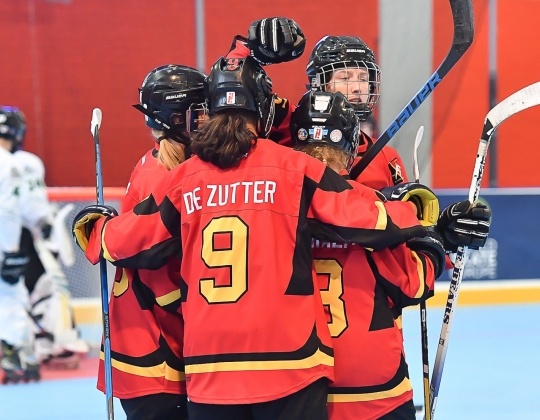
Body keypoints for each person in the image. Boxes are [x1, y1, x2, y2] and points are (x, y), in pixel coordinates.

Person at [72, 56, 438, 420]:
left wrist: (94, 229)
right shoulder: (293, 167)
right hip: (290, 364)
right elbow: (364, 218)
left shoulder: (185, 177)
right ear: (263, 111)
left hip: (208, 371)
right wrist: (420, 212)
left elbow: (127, 241)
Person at [291, 90, 447, 419]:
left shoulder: (276, 206)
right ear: (350, 149)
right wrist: (432, 245)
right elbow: (413, 284)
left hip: (299, 384)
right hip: (375, 386)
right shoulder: (374, 207)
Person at [95, 64, 206, 420]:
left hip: (151, 343)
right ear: (177, 118)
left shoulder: (163, 165)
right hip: (153, 349)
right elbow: (158, 272)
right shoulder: (163, 177)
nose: (208, 119)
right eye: (199, 112)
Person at [0, 106, 89, 370]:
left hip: (19, 236)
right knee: (14, 292)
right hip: (15, 239)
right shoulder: (16, 164)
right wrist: (9, 249)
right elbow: (18, 207)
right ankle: (14, 353)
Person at [0, 107, 37, 383]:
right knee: (12, 297)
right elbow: (25, 207)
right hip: (5, 243)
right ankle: (15, 356)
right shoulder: (11, 164)